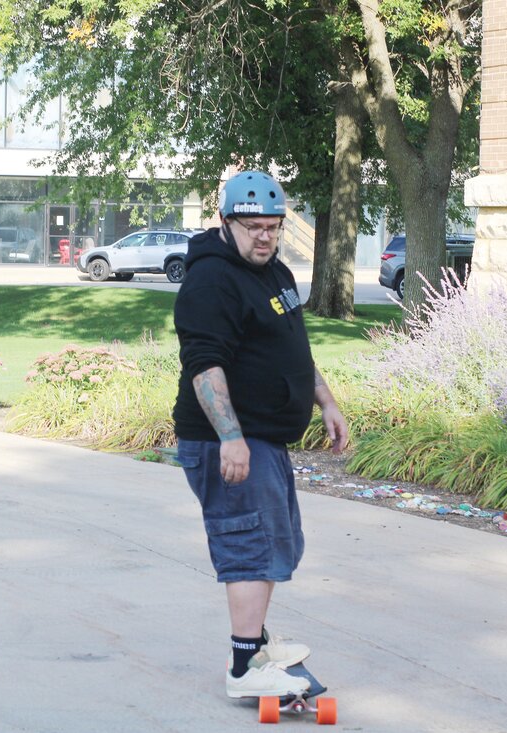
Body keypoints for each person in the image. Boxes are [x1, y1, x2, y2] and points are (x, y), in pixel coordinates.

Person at [173, 170, 348, 698]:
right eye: (252, 227)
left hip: (264, 441)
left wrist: (326, 400)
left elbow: (293, 350)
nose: (265, 237)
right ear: (225, 222)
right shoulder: (211, 281)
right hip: (228, 444)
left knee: (274, 544)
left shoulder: (275, 273)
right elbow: (205, 367)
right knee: (248, 546)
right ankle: (245, 668)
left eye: (272, 226)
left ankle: (256, 645)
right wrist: (231, 437)